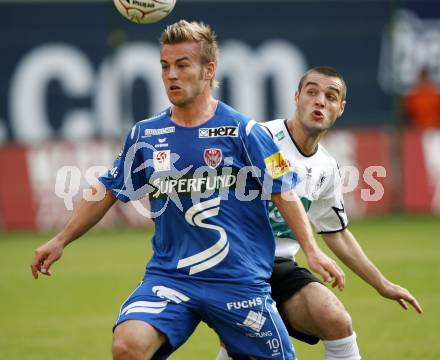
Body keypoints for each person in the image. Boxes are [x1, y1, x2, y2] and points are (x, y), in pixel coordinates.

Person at [30, 22, 345, 360]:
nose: (171, 75)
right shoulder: (146, 135)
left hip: (237, 282)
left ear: (208, 70)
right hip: (172, 278)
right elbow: (107, 190)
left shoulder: (246, 131)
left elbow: (285, 192)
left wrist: (312, 250)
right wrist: (61, 239)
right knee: (128, 346)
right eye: (165, 66)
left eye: (183, 65)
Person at [216, 66, 423, 360]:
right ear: (297, 97)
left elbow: (336, 232)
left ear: (340, 108)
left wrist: (382, 284)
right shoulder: (261, 137)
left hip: (280, 268)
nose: (320, 101)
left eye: (331, 96)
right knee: (251, 345)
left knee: (337, 320)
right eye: (311, 92)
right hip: (236, 264)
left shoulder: (327, 168)